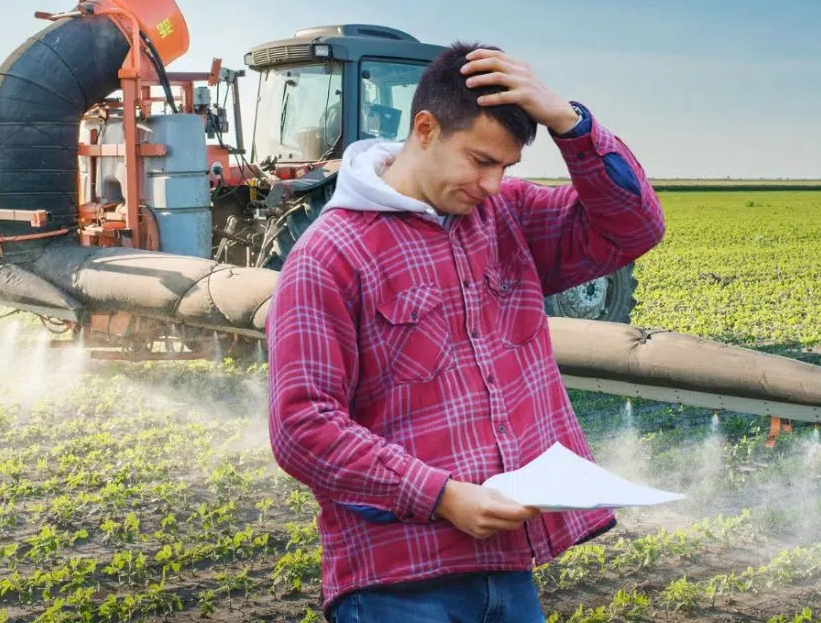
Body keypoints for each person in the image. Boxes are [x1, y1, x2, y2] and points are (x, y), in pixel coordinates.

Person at [265, 43, 666, 622]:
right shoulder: (330, 256)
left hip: (508, 572)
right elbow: (302, 425)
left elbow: (634, 227)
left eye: (506, 167)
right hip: (398, 584)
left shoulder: (505, 220)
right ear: (425, 129)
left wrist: (569, 122)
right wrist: (441, 496)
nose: (494, 184)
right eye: (480, 160)